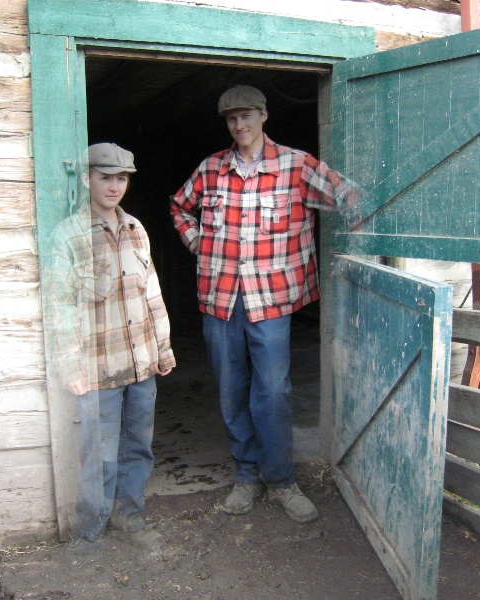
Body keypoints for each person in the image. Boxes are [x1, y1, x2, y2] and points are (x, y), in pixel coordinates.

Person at [170, 85, 356, 524]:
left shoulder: (296, 165)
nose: (240, 125)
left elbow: (351, 198)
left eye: (247, 116)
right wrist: (195, 240)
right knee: (231, 387)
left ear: (264, 115)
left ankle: (282, 479)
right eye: (232, 119)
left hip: (271, 298)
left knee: (273, 391)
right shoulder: (211, 168)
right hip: (219, 297)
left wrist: (361, 254)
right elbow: (180, 206)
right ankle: (246, 473)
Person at [48, 142, 175, 546]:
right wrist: (70, 366)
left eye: (121, 178)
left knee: (138, 447)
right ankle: (90, 533)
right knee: (98, 456)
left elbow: (152, 292)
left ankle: (129, 517)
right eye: (106, 177)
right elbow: (60, 306)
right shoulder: (69, 235)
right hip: (98, 370)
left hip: (140, 364)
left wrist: (163, 348)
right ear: (87, 179)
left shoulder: (137, 230)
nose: (114, 185)